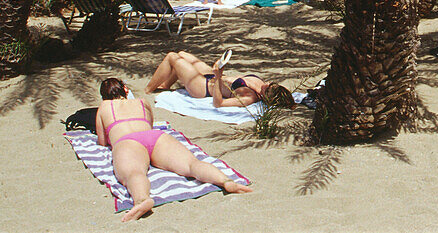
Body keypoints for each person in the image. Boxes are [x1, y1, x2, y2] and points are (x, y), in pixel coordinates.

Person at [96, 78, 251, 221]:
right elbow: (148, 126)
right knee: (191, 164)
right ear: (125, 89)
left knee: (134, 173)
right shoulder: (142, 102)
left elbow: (102, 141)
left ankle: (142, 200)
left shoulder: (104, 106)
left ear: (104, 97)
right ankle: (226, 181)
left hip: (127, 141)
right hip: (154, 137)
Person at [144, 51, 295, 109]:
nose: (267, 83)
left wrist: (218, 76)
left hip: (202, 87)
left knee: (172, 57)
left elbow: (218, 103)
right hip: (212, 76)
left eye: (268, 87)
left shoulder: (249, 97)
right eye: (271, 84)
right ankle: (165, 85)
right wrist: (217, 73)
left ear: (266, 96)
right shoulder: (261, 84)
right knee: (182, 54)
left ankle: (148, 90)